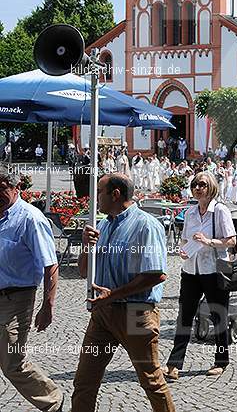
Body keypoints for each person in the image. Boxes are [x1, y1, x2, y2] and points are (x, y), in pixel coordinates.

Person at [74, 173, 175, 412]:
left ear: (115, 194)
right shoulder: (103, 224)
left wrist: (114, 294)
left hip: (137, 313)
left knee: (151, 381)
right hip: (103, 314)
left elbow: (156, 275)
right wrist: (85, 247)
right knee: (85, 380)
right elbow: (83, 271)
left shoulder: (145, 225)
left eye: (100, 192)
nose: (95, 198)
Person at [0, 167, 63, 411]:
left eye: (2, 188)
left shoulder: (30, 218)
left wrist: (47, 306)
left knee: (13, 363)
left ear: (16, 188)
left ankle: (53, 401)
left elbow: (50, 265)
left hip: (16, 298)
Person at [164, 171, 236, 380]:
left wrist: (209, 241)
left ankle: (221, 361)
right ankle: (174, 363)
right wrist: (182, 249)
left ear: (211, 187)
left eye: (202, 184)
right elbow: (185, 239)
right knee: (184, 316)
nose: (197, 188)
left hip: (213, 270)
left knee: (218, 315)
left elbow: (231, 240)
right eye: (194, 184)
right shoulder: (190, 212)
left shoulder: (220, 211)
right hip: (191, 270)